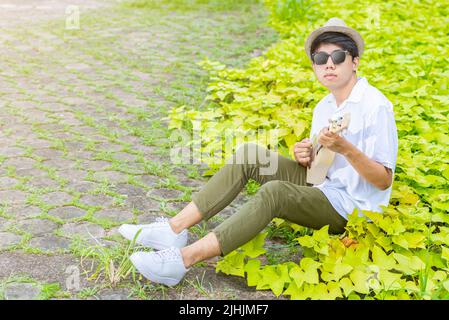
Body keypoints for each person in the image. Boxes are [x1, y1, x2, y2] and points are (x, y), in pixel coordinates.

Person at [118, 17, 398, 287]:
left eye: (337, 57)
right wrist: (307, 154)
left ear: (354, 61)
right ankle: (174, 229)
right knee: (251, 155)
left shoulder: (375, 106)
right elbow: (319, 171)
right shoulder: (325, 106)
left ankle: (181, 261)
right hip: (324, 186)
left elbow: (384, 179)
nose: (329, 65)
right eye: (320, 59)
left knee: (275, 192)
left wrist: (346, 149)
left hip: (352, 207)